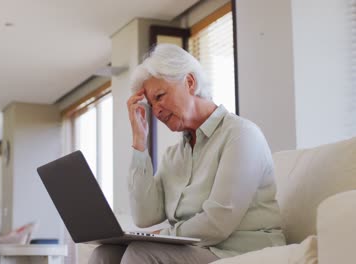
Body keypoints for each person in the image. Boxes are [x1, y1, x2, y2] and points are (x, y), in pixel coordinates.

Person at [89, 44, 285, 264]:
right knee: (104, 254)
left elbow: (218, 222)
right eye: (151, 104)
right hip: (197, 250)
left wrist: (161, 237)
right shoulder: (174, 156)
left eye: (160, 96)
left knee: (140, 253)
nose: (157, 111)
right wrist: (139, 144)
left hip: (240, 252)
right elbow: (145, 217)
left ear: (190, 83)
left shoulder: (241, 135)